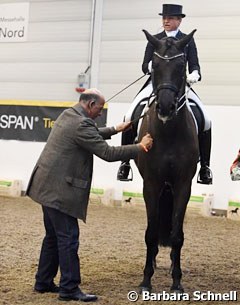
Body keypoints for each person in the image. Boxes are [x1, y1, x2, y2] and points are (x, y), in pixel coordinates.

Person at [25, 88, 153, 302]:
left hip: (45, 186)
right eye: (100, 108)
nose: (100, 113)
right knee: (68, 239)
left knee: (53, 237)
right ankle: (69, 288)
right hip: (59, 190)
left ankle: (43, 281)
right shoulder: (82, 124)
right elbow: (108, 153)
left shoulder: (70, 114)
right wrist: (140, 146)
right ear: (90, 105)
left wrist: (115, 129)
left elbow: (89, 132)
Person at [117, 3, 213, 185]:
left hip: (180, 87)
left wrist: (195, 74)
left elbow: (195, 64)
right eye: (164, 18)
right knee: (130, 114)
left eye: (170, 18)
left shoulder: (187, 40)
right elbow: (145, 65)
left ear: (179, 20)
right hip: (155, 85)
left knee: (206, 119)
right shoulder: (155, 39)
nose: (166, 21)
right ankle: (125, 163)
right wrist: (154, 66)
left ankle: (205, 167)